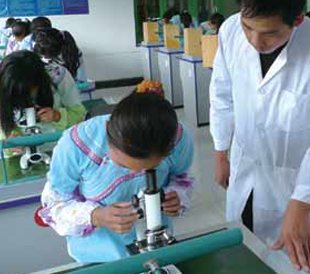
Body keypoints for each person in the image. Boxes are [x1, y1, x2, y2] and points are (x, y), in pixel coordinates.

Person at [210, 0, 310, 272]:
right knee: (242, 261)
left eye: (270, 34)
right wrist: (220, 152)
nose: (255, 42)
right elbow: (221, 94)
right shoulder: (230, 30)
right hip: (244, 173)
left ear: (297, 19)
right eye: (248, 27)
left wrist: (301, 203)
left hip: (293, 187)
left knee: (292, 269)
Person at [39, 92, 194, 263]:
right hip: (99, 255)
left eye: (150, 169)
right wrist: (96, 216)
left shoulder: (175, 138)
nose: (136, 174)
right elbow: (54, 206)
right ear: (107, 131)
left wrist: (177, 196)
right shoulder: (75, 147)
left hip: (156, 245)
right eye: (123, 165)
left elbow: (182, 178)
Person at [0, 50, 86, 142]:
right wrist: (8, 136)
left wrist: (57, 116)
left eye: (27, 92)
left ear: (40, 82)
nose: (24, 99)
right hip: (20, 146)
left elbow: (79, 115)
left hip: (58, 142)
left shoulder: (58, 76)